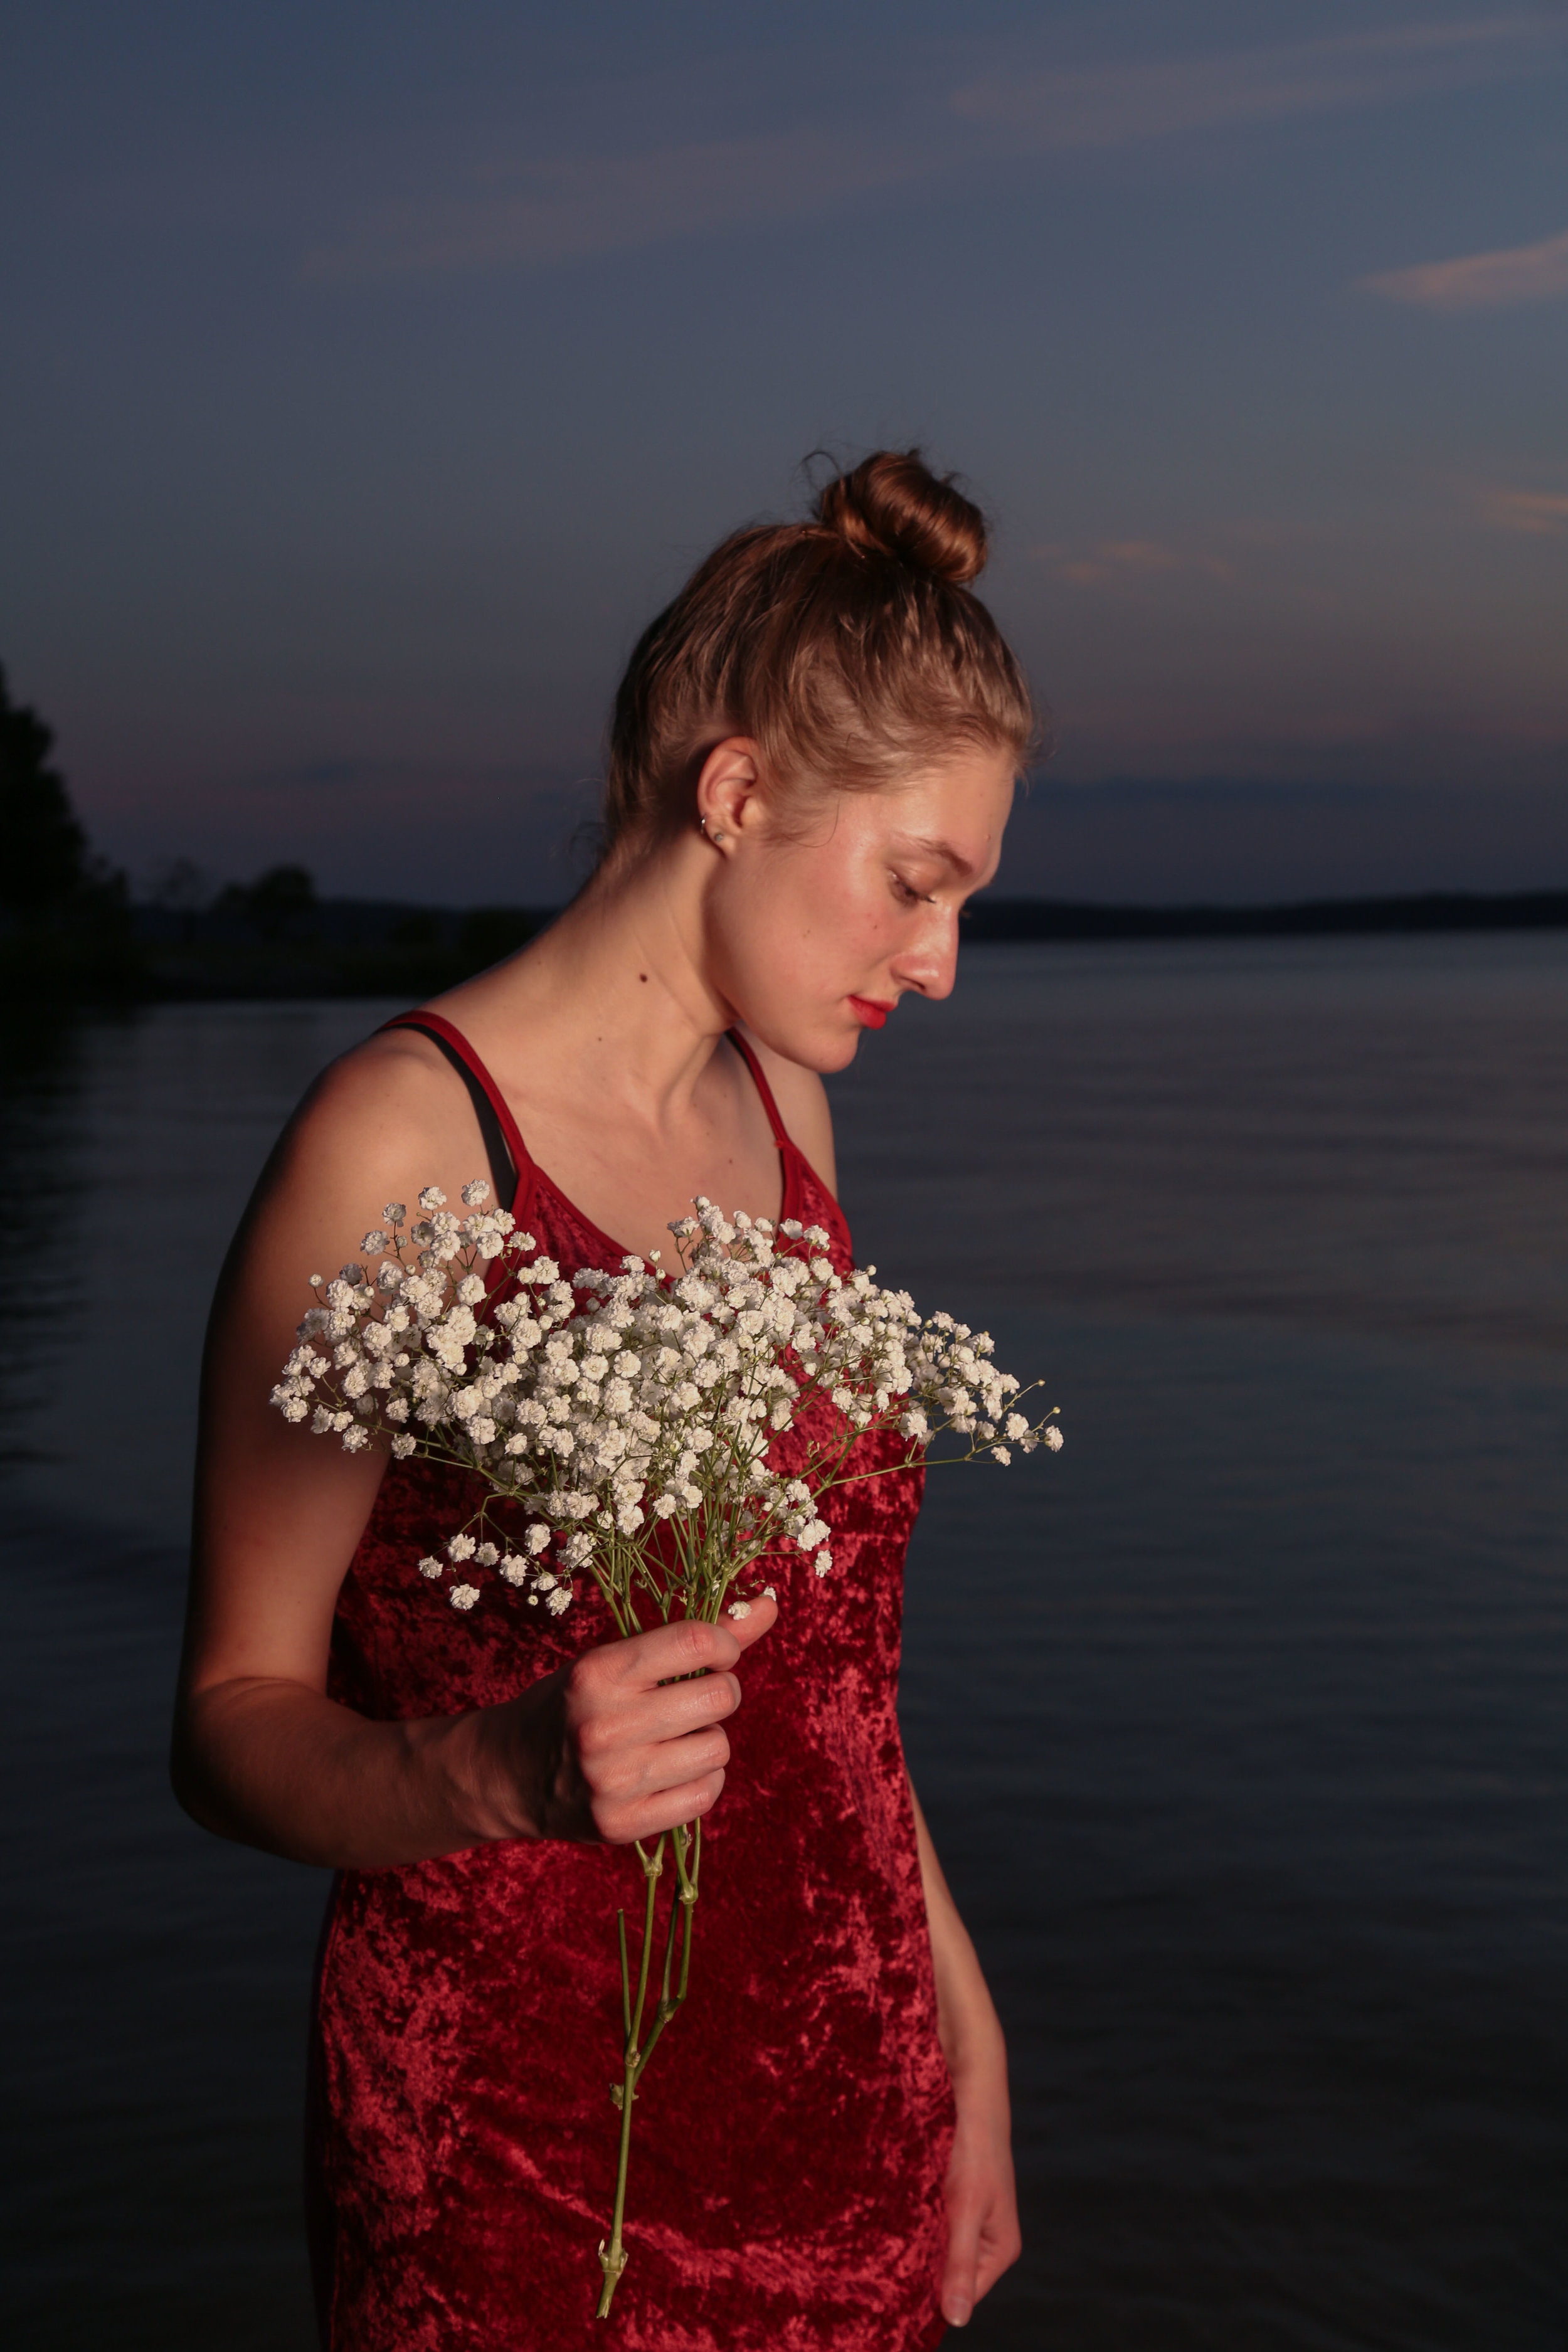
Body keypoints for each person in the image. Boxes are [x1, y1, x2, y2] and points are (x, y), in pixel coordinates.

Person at [172, 448, 1038, 2351]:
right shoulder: (403, 1146)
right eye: (912, 883)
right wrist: (483, 1771)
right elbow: (229, 1718)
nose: (940, 961)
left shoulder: (788, 1114)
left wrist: (957, 2026)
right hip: (528, 2163)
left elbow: (832, 1689)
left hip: (846, 2099)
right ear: (737, 793)